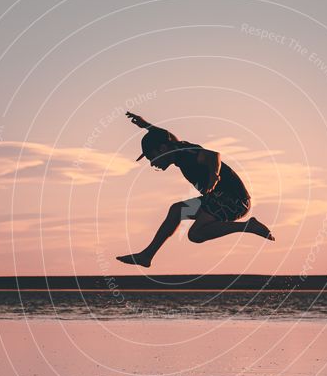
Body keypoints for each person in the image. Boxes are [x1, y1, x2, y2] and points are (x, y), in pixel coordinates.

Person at [116, 112, 274, 268]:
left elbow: (213, 156)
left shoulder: (186, 155)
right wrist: (146, 126)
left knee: (195, 234)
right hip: (218, 198)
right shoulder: (177, 149)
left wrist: (214, 177)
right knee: (177, 210)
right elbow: (165, 136)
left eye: (152, 158)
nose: (152, 164)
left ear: (163, 149)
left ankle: (248, 226)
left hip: (234, 200)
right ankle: (146, 256)